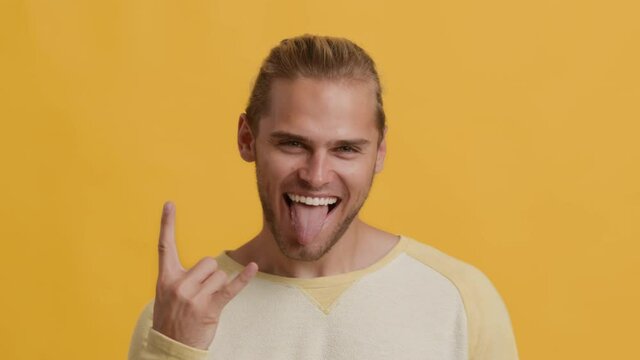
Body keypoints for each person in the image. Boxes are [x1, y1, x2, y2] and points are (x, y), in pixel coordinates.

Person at [128, 34, 518, 360]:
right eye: (293, 144)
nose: (316, 177)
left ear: (379, 152)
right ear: (248, 139)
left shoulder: (460, 301)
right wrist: (174, 350)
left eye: (346, 149)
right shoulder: (176, 316)